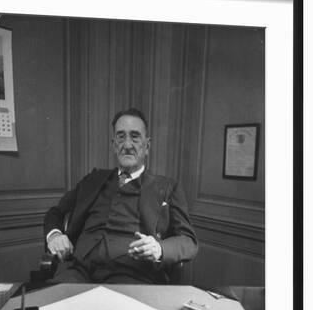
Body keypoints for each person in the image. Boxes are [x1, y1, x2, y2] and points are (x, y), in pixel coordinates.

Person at [44, 108, 198, 284]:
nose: (127, 145)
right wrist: (55, 236)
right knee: (52, 305)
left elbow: (189, 241)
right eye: (121, 136)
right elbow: (55, 212)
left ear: (146, 146)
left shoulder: (168, 187)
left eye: (134, 136)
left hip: (132, 275)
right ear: (113, 144)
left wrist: (159, 249)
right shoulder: (93, 180)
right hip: (78, 271)